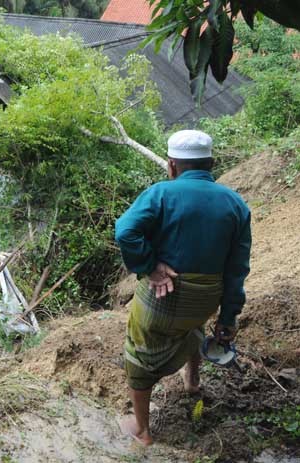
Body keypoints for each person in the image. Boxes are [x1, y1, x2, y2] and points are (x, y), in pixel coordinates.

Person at [114, 130, 251, 446]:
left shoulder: (161, 194)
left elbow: (125, 232)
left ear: (172, 166)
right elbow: (237, 269)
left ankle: (143, 430)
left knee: (139, 348)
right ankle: (192, 382)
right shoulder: (235, 204)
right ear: (211, 163)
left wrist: (151, 267)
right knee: (194, 327)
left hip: (165, 298)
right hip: (205, 302)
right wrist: (228, 317)